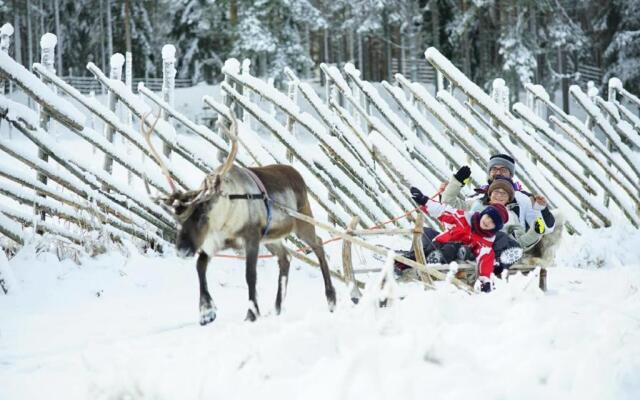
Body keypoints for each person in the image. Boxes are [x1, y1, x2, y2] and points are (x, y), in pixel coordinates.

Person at [409, 188, 508, 293]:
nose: (487, 222)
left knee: (452, 247)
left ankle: (436, 260)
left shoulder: (485, 243)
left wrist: (485, 281)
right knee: (425, 240)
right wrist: (424, 200)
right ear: (483, 213)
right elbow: (443, 211)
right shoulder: (463, 218)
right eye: (488, 216)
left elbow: (486, 261)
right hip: (438, 243)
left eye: (492, 222)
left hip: (452, 254)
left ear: (495, 228)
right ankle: (405, 261)